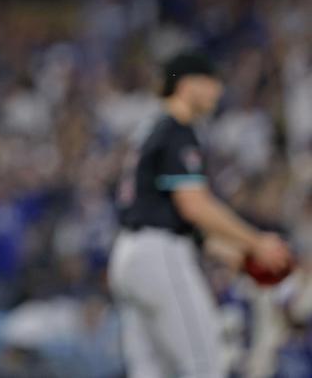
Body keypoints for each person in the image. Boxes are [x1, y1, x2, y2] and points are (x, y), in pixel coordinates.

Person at [108, 50, 293, 378]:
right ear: (186, 84)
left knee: (151, 371)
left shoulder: (150, 129)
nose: (217, 91)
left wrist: (227, 251)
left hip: (129, 255)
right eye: (209, 82)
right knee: (205, 365)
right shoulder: (178, 131)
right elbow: (193, 206)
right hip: (158, 255)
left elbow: (169, 214)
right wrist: (256, 242)